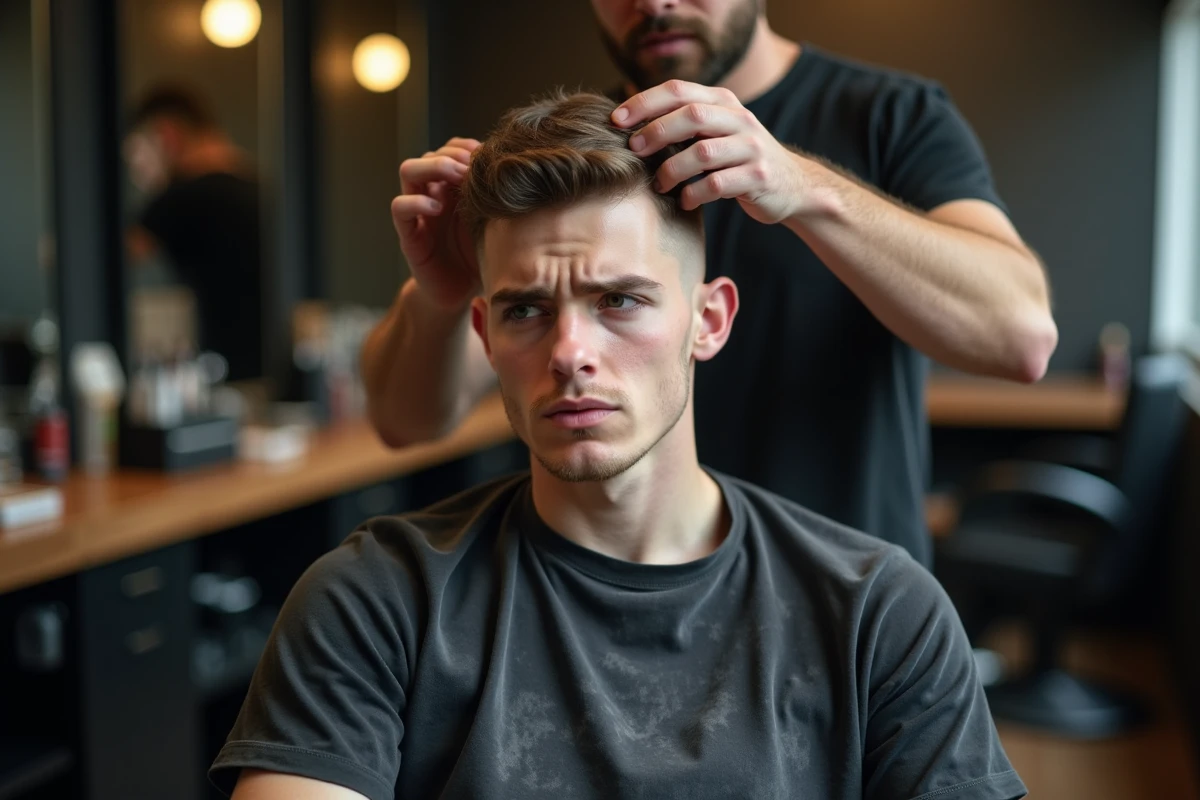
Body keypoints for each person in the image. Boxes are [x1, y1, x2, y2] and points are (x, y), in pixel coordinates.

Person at [210, 91, 1026, 800]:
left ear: (709, 320)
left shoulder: (878, 614)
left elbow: (1023, 331)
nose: (570, 352)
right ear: (485, 333)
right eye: (527, 310)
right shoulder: (377, 601)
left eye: (619, 301)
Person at [360, 0, 1058, 568]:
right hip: (602, 599)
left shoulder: (890, 118)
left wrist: (805, 186)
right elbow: (403, 420)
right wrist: (442, 292)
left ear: (712, 315)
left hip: (842, 612)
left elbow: (1021, 336)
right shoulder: (575, 157)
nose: (655, 4)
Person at [124, 84, 264, 381]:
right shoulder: (258, 186)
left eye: (140, 151)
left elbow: (104, 263)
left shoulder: (181, 195)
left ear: (167, 135)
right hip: (270, 370)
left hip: (220, 372)